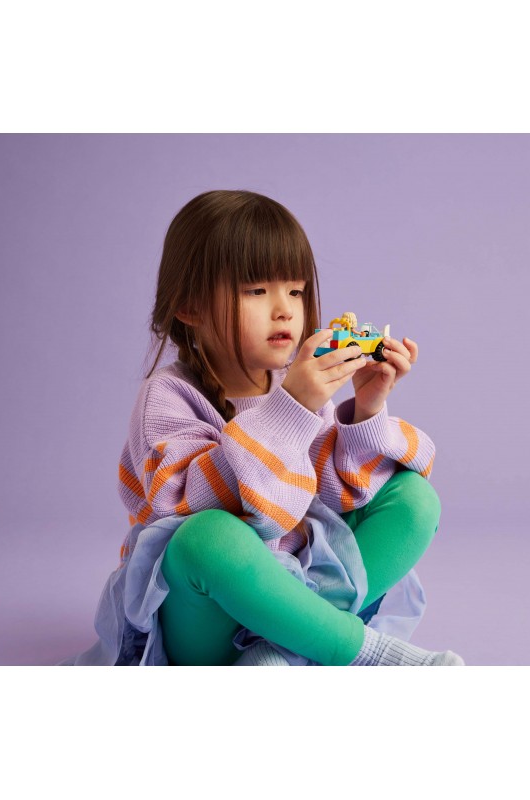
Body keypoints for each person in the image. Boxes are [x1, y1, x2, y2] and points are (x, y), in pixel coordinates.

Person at [65, 189, 463, 667]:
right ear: (190, 306)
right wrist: (290, 408)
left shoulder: (296, 388)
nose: (285, 310)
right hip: (204, 614)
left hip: (293, 595)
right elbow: (182, 505)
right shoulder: (168, 396)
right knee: (206, 537)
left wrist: (367, 406)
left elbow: (339, 498)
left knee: (415, 499)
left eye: (295, 291)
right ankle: (361, 651)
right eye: (256, 291)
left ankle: (277, 651)